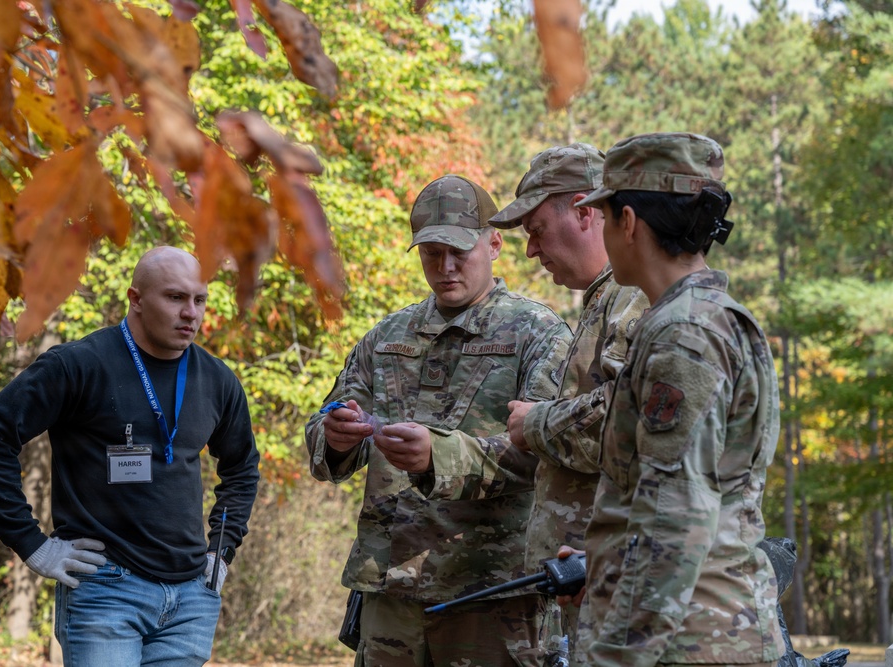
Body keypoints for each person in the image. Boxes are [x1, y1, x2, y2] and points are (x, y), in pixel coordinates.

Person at [304, 174, 572, 667]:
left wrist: (438, 456)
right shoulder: (388, 336)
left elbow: (548, 454)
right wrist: (336, 436)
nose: (445, 268)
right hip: (391, 591)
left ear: (493, 245)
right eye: (431, 254)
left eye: (458, 252)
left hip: (491, 591)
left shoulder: (539, 334)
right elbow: (325, 436)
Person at [404, 144, 649, 662]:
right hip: (586, 577)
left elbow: (631, 421)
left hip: (622, 580)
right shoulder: (603, 302)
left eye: (536, 229)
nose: (532, 250)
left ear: (585, 210)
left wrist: (538, 422)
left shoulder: (634, 297)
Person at [0, 246, 260, 666]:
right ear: (135, 299)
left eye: (200, 299)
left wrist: (221, 551)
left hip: (192, 597)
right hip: (106, 589)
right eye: (175, 298)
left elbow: (242, 467)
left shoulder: (217, 380)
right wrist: (33, 545)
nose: (191, 313)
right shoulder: (79, 365)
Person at [570, 132, 785, 667]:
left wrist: (615, 656)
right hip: (697, 630)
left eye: (603, 216)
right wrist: (606, 560)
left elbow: (676, 519)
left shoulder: (683, 333)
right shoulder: (696, 319)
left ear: (628, 222)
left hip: (687, 642)